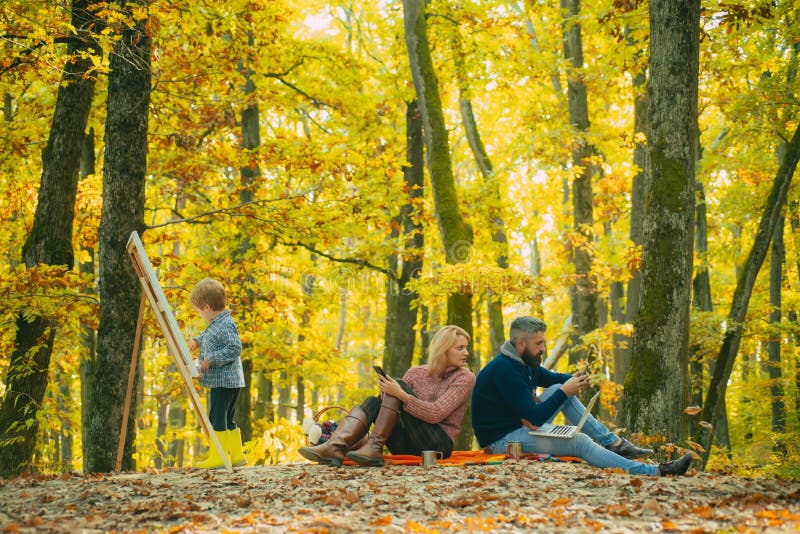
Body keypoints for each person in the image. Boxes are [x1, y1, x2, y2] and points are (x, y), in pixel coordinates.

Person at [471, 316, 693, 477]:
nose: (543, 348)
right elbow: (535, 418)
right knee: (579, 442)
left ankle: (613, 443)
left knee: (560, 387)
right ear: (521, 344)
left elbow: (551, 378)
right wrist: (565, 390)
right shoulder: (506, 369)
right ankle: (655, 471)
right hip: (502, 441)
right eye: (538, 343)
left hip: (520, 427)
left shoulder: (524, 362)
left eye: (544, 342)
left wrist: (575, 379)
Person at [299, 325, 476, 467]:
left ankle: (370, 448)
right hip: (405, 444)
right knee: (373, 402)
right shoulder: (416, 373)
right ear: (443, 350)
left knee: (398, 386)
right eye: (460, 348)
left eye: (465, 348)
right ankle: (335, 447)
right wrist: (389, 393)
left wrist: (401, 394)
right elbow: (393, 406)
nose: (466, 353)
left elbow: (436, 413)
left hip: (437, 446)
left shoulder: (465, 378)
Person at [188, 278, 247, 469]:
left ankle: (219, 458)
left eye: (198, 310)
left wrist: (211, 359)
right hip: (229, 381)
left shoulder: (225, 324)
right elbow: (210, 335)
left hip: (224, 381)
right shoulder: (218, 322)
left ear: (206, 307)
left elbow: (235, 347)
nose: (199, 314)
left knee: (217, 418)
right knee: (228, 418)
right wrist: (197, 340)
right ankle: (237, 456)